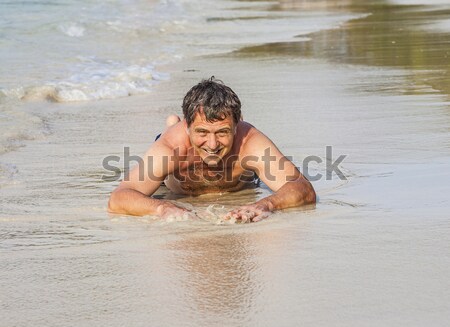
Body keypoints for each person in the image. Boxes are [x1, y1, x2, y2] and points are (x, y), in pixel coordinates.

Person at [108, 77, 316, 222]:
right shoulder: (171, 147)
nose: (213, 144)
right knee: (167, 141)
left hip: (239, 175)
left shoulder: (250, 141)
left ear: (237, 125)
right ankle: (171, 125)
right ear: (188, 127)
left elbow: (303, 188)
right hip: (172, 173)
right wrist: (163, 208)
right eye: (202, 132)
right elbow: (118, 198)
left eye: (223, 132)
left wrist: (265, 204)